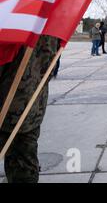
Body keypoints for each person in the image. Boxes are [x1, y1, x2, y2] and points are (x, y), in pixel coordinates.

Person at [0, 35, 58, 183]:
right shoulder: (48, 25)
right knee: (24, 163)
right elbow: (50, 65)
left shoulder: (13, 20)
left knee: (21, 163)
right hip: (32, 104)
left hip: (10, 105)